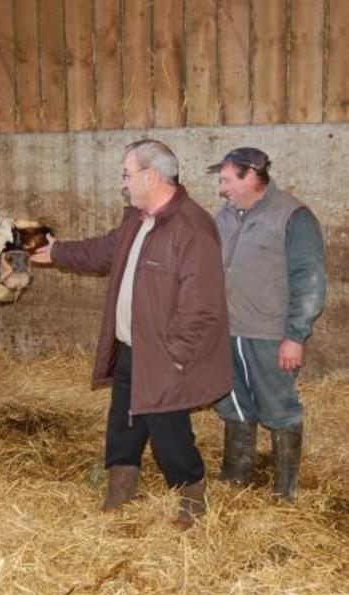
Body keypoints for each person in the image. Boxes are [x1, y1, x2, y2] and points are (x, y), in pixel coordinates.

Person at [31, 139, 232, 529]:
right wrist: (57, 252)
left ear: (151, 175)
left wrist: (176, 354)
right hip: (130, 346)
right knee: (123, 419)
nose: (123, 183)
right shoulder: (135, 221)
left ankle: (191, 494)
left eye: (127, 174)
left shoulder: (192, 227)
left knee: (168, 430)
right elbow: (102, 252)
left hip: (166, 353)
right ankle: (120, 488)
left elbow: (202, 304)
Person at [207, 147, 326, 501]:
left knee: (279, 407)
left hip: (269, 334)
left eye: (227, 180)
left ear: (252, 176)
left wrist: (295, 336)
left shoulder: (293, 215)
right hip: (228, 330)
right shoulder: (224, 217)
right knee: (233, 403)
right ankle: (236, 477)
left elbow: (310, 279)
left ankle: (284, 491)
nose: (221, 188)